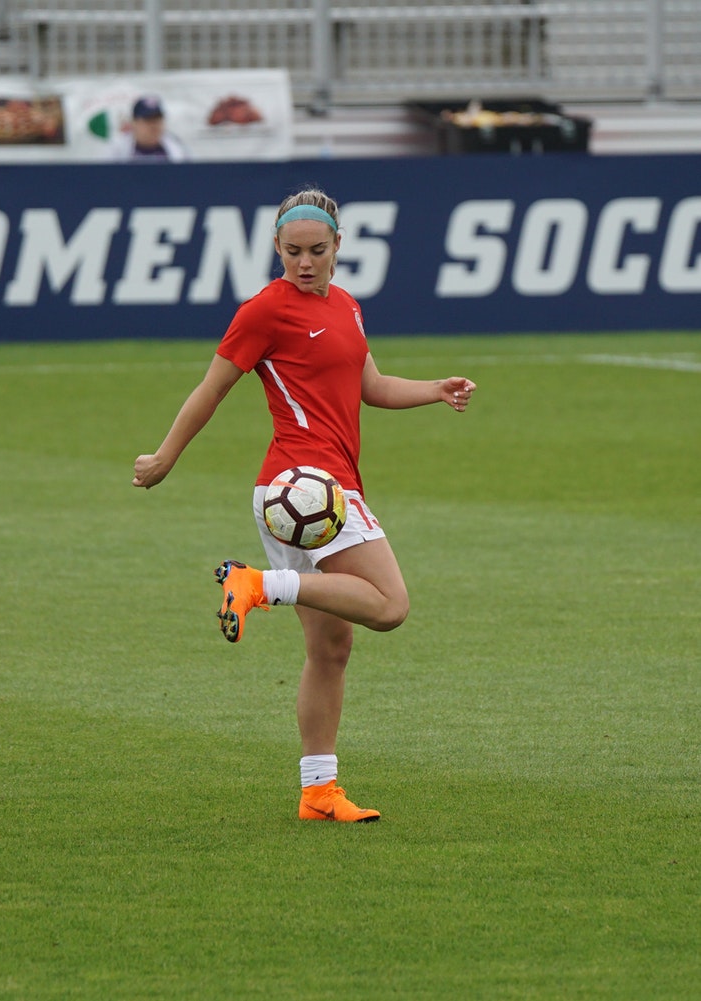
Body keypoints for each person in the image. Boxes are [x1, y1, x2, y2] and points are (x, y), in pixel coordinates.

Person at [133, 187, 476, 824]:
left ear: (339, 245)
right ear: (276, 249)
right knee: (392, 606)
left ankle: (318, 792)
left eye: (317, 250)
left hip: (304, 493)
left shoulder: (346, 305)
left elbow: (369, 385)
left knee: (330, 650)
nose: (305, 263)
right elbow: (211, 389)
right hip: (307, 488)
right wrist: (165, 456)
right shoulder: (264, 310)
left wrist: (435, 388)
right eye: (292, 252)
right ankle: (257, 583)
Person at [109, 95, 189, 162]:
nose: (154, 125)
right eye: (148, 120)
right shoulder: (117, 148)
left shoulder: (177, 146)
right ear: (134, 123)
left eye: (158, 119)